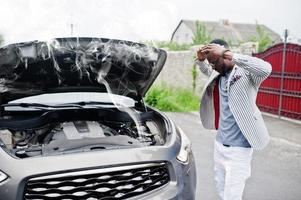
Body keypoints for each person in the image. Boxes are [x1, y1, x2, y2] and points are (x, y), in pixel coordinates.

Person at [195, 39, 272, 200]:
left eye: (214, 62)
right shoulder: (218, 74)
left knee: (232, 196)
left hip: (239, 150)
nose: (212, 67)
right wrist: (201, 60)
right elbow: (206, 70)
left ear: (225, 56)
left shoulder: (246, 73)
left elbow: (266, 68)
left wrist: (226, 53)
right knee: (221, 190)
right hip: (219, 145)